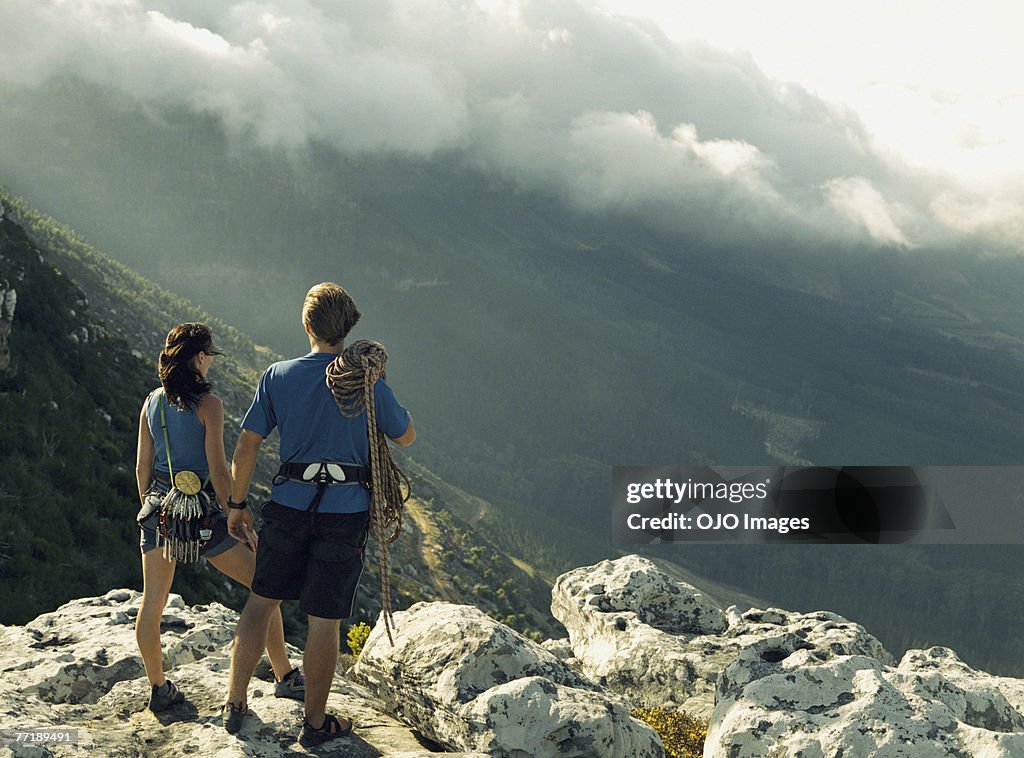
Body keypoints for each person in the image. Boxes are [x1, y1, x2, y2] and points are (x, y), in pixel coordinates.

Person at [222, 283, 415, 746]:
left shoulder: (278, 376)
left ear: (307, 326)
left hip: (288, 504)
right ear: (348, 328)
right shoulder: (365, 382)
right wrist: (378, 384)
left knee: (262, 601)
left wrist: (236, 503)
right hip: (344, 512)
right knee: (325, 619)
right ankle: (314, 724)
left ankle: (234, 703)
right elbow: (405, 436)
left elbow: (248, 445)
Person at [135, 322, 305, 712]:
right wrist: (236, 514)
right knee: (264, 583)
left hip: (160, 510)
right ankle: (283, 674)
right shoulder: (208, 404)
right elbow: (218, 467)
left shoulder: (151, 402)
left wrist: (151, 508)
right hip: (205, 514)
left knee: (152, 604)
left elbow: (142, 467)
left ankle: (159, 689)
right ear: (199, 357)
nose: (210, 361)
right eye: (209, 354)